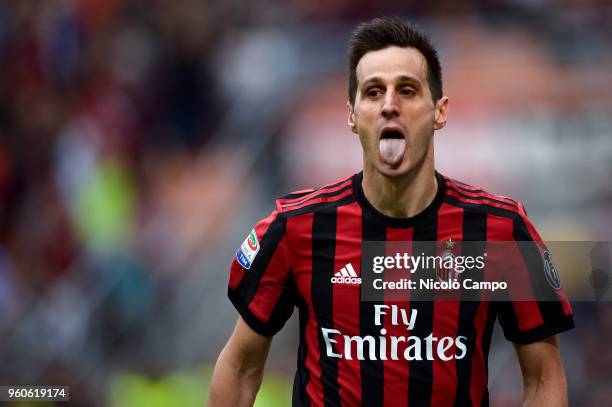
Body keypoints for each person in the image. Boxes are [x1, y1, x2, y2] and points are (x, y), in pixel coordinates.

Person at [207, 16, 574, 407]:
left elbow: (542, 378)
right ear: (352, 115)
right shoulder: (295, 228)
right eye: (373, 92)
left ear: (439, 111)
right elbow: (241, 367)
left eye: (408, 90)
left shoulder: (502, 231)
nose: (389, 106)